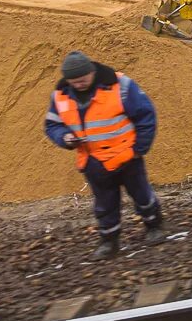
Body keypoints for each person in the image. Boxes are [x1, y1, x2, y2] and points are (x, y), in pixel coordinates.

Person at [44, 51, 163, 258]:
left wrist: (138, 150)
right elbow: (52, 125)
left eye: (83, 80)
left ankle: (154, 226)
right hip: (94, 161)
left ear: (92, 72)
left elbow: (146, 116)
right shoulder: (61, 95)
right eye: (74, 82)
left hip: (127, 157)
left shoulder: (121, 86)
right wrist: (64, 137)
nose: (79, 85)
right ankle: (109, 242)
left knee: (142, 194)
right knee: (104, 203)